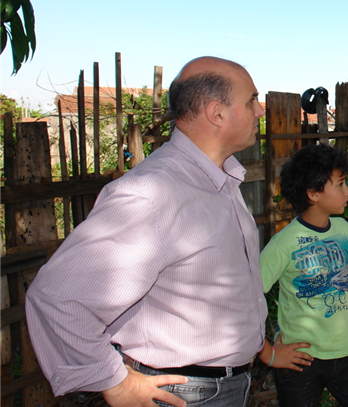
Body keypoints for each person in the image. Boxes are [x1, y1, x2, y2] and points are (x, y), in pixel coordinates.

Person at [26, 57, 270, 407]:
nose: (259, 110)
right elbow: (59, 296)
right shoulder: (153, 194)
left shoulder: (221, 181)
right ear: (217, 113)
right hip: (182, 394)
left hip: (224, 387)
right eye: (251, 100)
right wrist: (114, 382)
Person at [258, 143, 348, 407]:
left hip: (344, 354)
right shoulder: (284, 244)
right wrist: (267, 354)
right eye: (340, 185)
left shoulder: (343, 229)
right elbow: (245, 299)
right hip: (300, 361)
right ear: (313, 193)